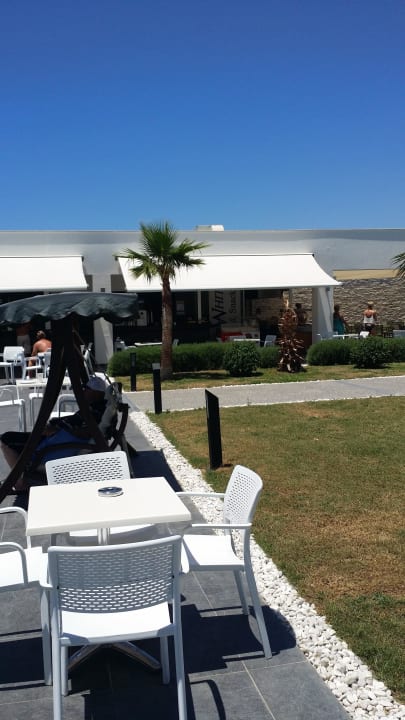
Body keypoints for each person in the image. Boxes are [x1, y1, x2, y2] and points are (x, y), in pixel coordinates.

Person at [1, 376, 107, 490]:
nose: (83, 391)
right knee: (12, 437)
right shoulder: (95, 408)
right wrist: (56, 424)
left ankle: (19, 483)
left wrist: (58, 429)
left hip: (50, 446)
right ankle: (18, 478)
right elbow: (80, 426)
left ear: (96, 393)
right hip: (54, 439)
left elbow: (86, 432)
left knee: (6, 440)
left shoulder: (94, 411)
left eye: (87, 389)